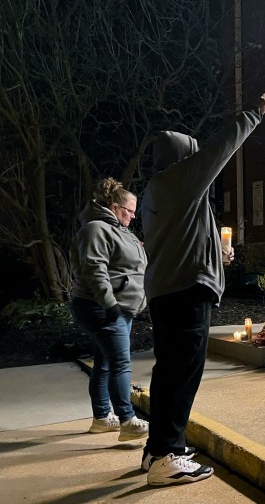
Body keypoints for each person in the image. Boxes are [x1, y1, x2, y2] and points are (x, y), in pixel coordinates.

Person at [140, 90, 265, 486]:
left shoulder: (159, 191)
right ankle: (168, 454)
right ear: (184, 158)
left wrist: (217, 252)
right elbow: (218, 151)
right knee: (182, 374)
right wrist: (253, 114)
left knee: (170, 371)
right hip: (184, 292)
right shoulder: (178, 180)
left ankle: (157, 450)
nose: (199, 161)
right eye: (192, 155)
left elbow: (180, 241)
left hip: (168, 290)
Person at [70, 177, 149, 442]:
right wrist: (111, 304)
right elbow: (95, 269)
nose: (132, 217)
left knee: (104, 362)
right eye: (129, 211)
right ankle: (127, 421)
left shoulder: (120, 231)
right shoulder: (96, 229)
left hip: (116, 307)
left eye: (134, 213)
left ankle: (102, 418)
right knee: (120, 363)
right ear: (114, 206)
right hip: (101, 307)